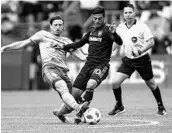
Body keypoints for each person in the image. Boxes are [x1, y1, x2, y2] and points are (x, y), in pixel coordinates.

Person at [1, 15, 89, 123]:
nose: (58, 27)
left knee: (70, 102)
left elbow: (81, 56)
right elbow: (24, 43)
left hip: (64, 72)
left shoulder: (66, 41)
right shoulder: (43, 35)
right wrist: (5, 48)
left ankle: (59, 113)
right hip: (49, 68)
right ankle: (79, 108)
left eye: (60, 25)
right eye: (55, 25)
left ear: (63, 27)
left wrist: (98, 57)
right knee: (62, 87)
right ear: (51, 26)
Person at [54, 6, 123, 124]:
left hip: (101, 66)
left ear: (104, 17)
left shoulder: (108, 30)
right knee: (73, 97)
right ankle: (59, 113)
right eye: (95, 18)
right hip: (88, 65)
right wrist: (63, 47)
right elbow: (79, 43)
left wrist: (115, 33)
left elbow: (120, 42)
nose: (96, 21)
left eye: (99, 18)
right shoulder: (91, 31)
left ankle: (80, 113)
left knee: (90, 85)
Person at [108, 4, 167, 116]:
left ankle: (161, 106)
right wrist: (109, 53)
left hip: (142, 59)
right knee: (115, 82)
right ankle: (119, 106)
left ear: (134, 13)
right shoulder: (120, 27)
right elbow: (117, 42)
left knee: (151, 83)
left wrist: (140, 50)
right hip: (128, 60)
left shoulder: (142, 26)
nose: (128, 15)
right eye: (126, 13)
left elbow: (151, 42)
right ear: (123, 14)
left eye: (130, 12)